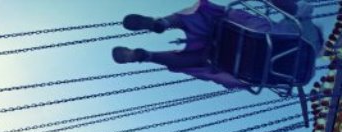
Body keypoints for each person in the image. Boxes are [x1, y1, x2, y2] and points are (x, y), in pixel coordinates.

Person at [111, 0, 322, 89]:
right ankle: (147, 56)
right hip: (243, 63)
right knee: (202, 63)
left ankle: (164, 22)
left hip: (247, 41)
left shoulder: (301, 27)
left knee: (211, 16)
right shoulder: (304, 72)